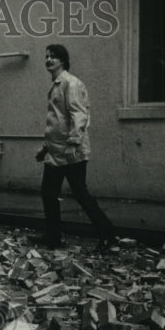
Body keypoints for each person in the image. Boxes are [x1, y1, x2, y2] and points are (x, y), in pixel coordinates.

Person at [36, 44, 118, 251]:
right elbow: (58, 121)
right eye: (46, 57)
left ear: (62, 61)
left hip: (70, 151)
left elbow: (78, 116)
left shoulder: (70, 84)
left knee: (80, 193)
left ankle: (108, 235)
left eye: (53, 57)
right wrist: (45, 148)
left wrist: (73, 143)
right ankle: (53, 236)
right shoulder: (57, 84)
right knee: (48, 192)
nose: (49, 60)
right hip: (56, 152)